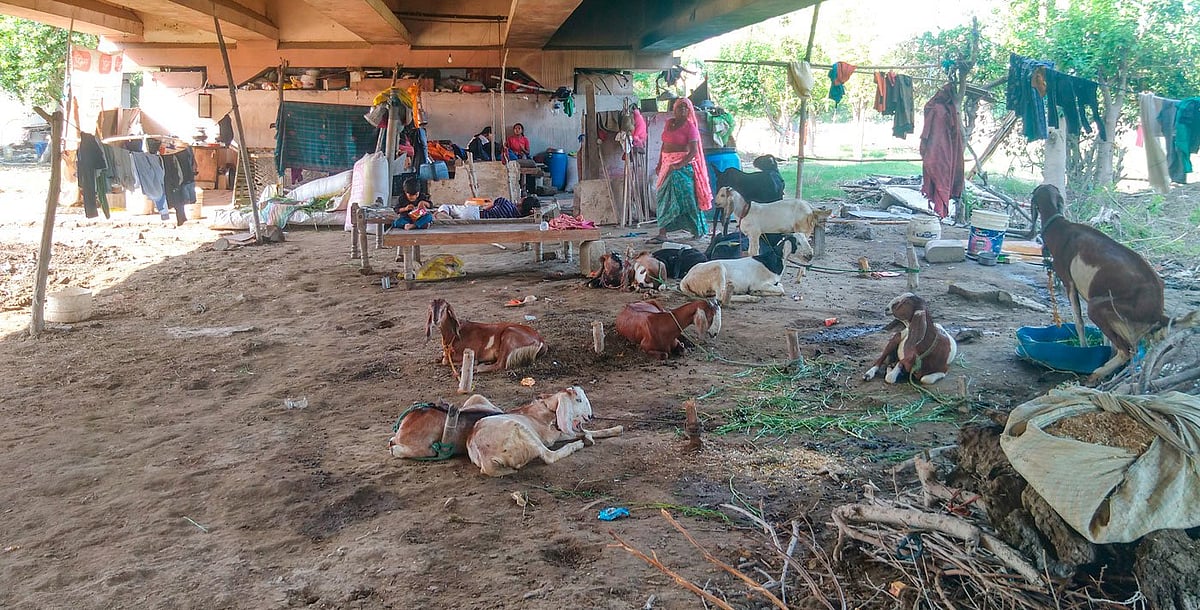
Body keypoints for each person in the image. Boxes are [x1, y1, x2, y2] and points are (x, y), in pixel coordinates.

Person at [649, 98, 712, 243]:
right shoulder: (669, 123)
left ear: (689, 110)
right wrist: (660, 163)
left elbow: (693, 152)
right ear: (674, 109)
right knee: (663, 198)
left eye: (686, 107)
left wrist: (679, 165)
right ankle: (662, 233)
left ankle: (698, 230)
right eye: (680, 107)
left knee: (688, 199)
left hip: (682, 168)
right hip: (667, 165)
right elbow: (664, 145)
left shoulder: (690, 127)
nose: (683, 110)